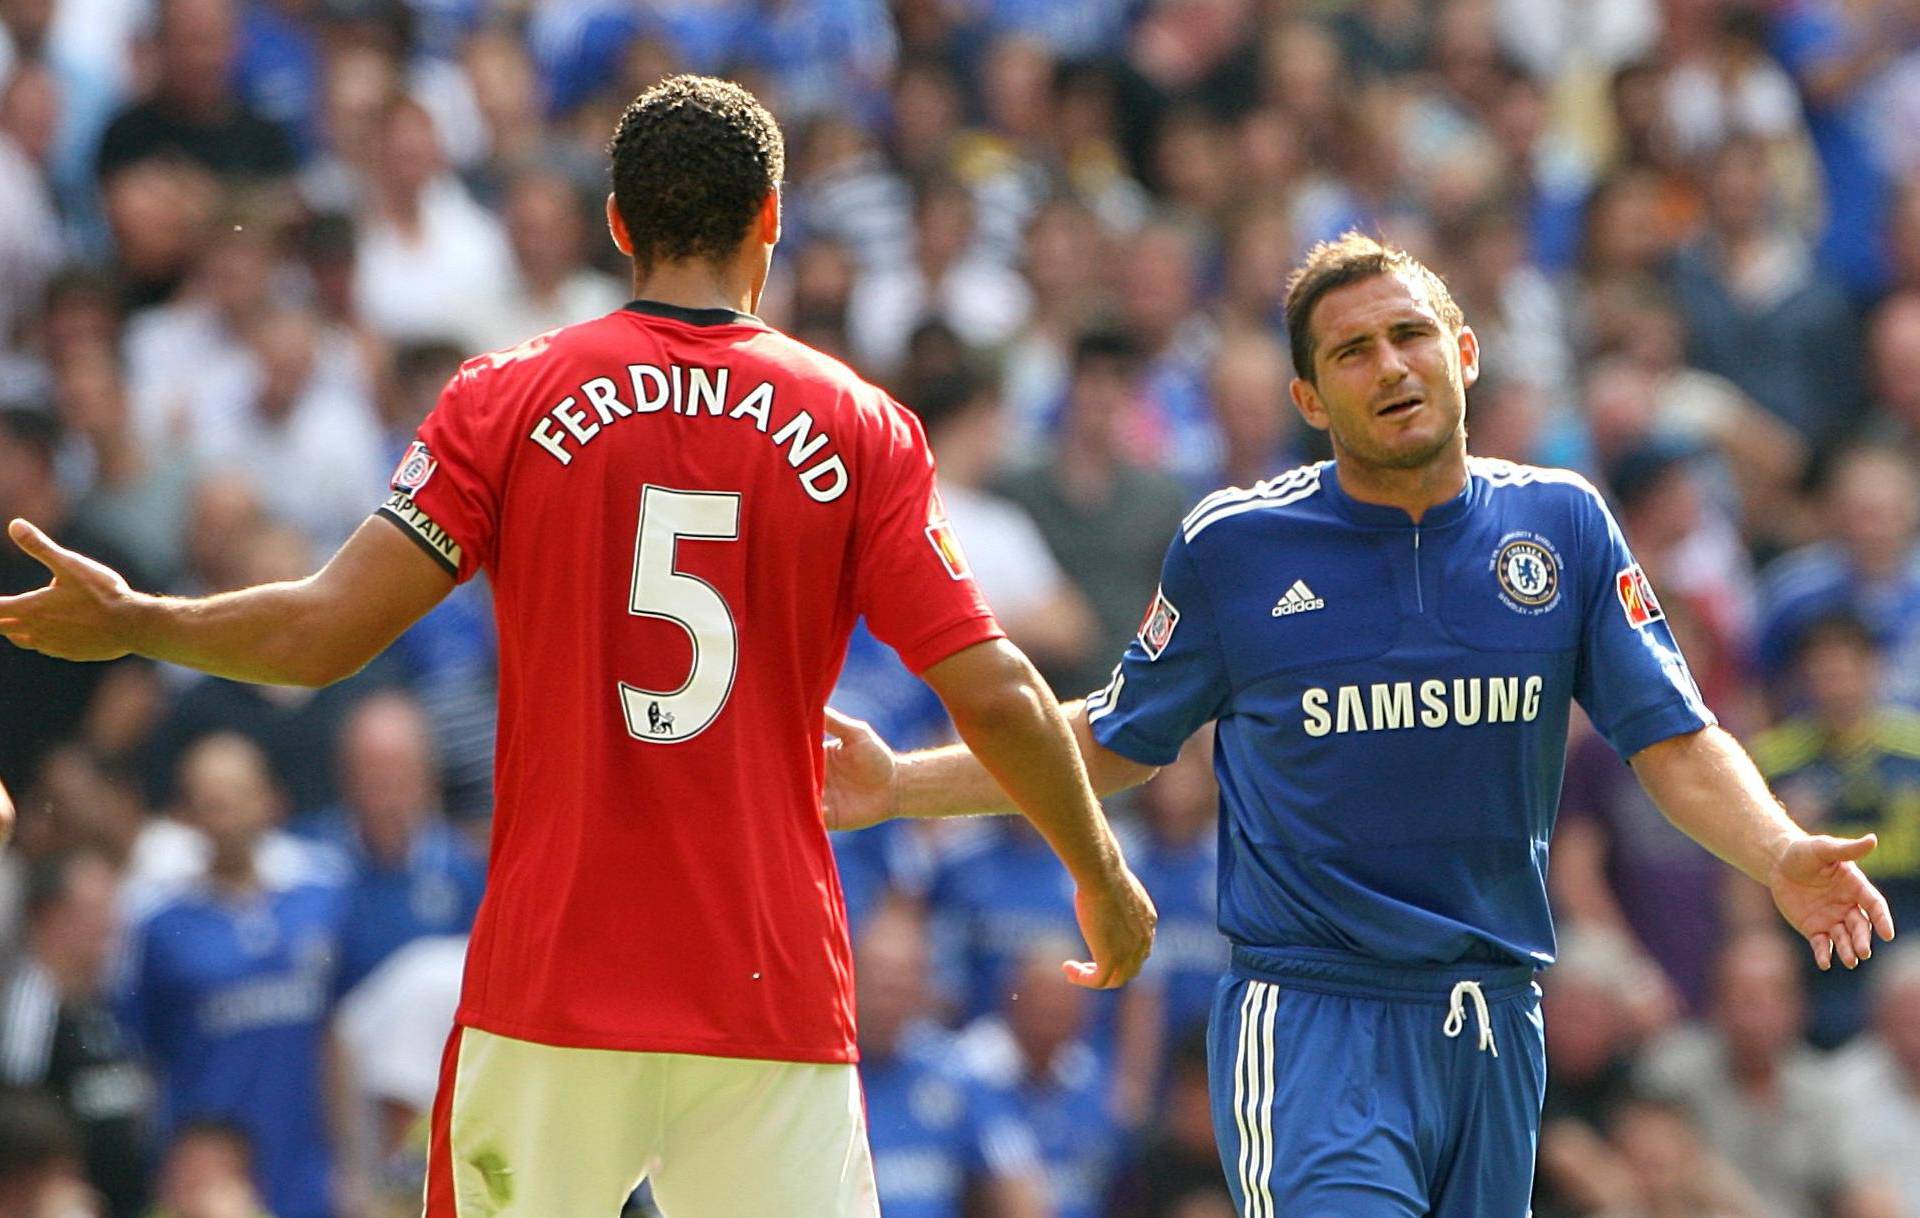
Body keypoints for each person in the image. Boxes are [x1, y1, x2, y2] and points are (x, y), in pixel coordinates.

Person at [0, 75, 1155, 1216]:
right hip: (769, 987)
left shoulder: (503, 399)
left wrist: (140, 618)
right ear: (772, 219)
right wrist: (1098, 875)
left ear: (616, 225)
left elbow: (317, 635)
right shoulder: (860, 425)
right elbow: (998, 694)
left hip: (550, 981)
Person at [822, 230, 1895, 1216]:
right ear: (1307, 395)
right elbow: (1114, 739)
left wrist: (1777, 852)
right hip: (1314, 1020)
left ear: (1464, 353)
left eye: (1409, 334)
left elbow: (1673, 737)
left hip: (1494, 1020)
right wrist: (901, 784)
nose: (1390, 366)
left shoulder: (1561, 525)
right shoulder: (1236, 548)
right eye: (1351, 353)